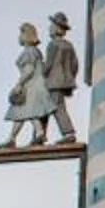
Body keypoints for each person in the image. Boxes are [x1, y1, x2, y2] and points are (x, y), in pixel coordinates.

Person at [5, 22, 57, 147]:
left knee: (26, 111)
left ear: (26, 35)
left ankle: (38, 133)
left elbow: (29, 70)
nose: (19, 37)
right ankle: (13, 138)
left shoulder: (29, 51)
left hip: (32, 86)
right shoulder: (35, 51)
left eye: (21, 33)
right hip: (36, 84)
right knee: (21, 112)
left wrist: (19, 84)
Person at [43, 10, 81, 142]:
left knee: (56, 106)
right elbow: (75, 65)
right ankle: (40, 134)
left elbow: (48, 65)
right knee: (45, 106)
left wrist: (41, 73)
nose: (49, 28)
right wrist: (70, 79)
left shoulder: (53, 45)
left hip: (53, 82)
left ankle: (68, 132)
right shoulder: (69, 46)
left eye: (51, 25)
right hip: (63, 82)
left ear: (57, 28)